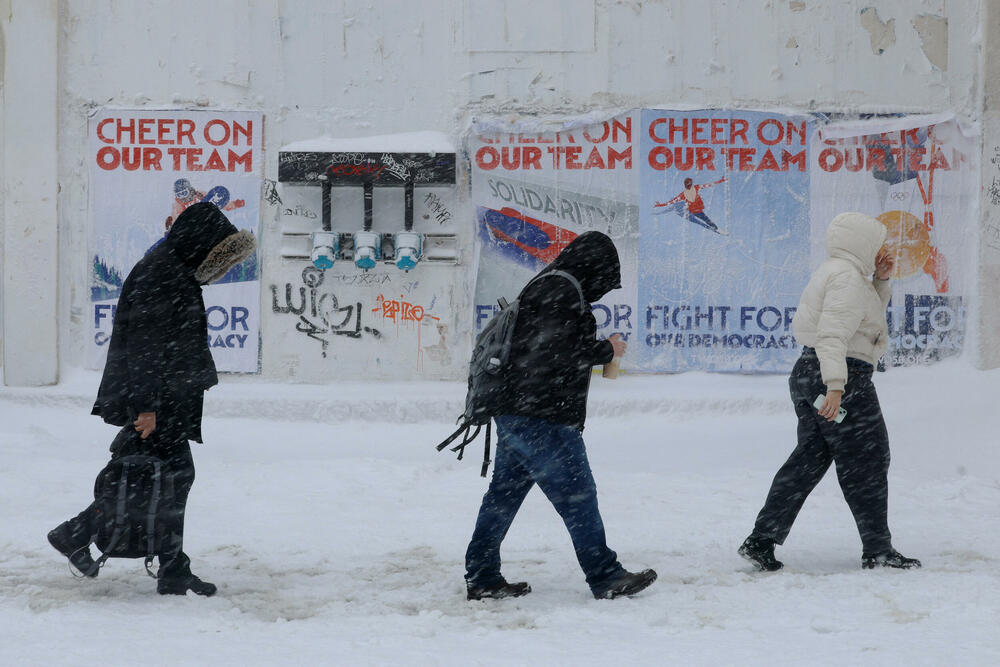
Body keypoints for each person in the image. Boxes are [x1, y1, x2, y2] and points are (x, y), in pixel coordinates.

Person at [48, 202, 257, 596]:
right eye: (217, 254)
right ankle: (81, 535)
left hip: (168, 398)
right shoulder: (161, 272)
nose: (220, 267)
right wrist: (146, 408)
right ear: (200, 242)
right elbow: (144, 346)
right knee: (158, 480)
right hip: (158, 402)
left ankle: (92, 539)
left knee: (160, 480)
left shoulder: (172, 269)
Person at [464, 231, 658, 600]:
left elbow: (544, 349)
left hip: (517, 411)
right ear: (594, 267)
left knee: (503, 496)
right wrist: (606, 349)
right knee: (577, 495)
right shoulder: (561, 290)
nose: (603, 290)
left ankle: (483, 575)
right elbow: (553, 353)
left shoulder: (548, 285)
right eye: (605, 280)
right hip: (542, 416)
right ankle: (605, 575)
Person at [739, 212, 921, 572]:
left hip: (810, 373)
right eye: (878, 242)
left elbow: (859, 320)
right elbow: (834, 335)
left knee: (808, 460)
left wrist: (881, 280)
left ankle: (761, 539)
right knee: (867, 460)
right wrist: (836, 387)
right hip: (841, 377)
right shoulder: (848, 280)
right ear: (862, 243)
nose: (882, 249)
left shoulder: (840, 273)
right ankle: (878, 549)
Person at [654, 176, 727, 234]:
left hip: (695, 211)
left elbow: (671, 202)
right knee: (705, 219)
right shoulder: (692, 189)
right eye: (688, 184)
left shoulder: (687, 192)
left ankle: (714, 227)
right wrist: (660, 205)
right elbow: (671, 202)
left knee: (704, 218)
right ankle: (715, 228)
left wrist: (660, 205)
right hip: (696, 211)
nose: (689, 185)